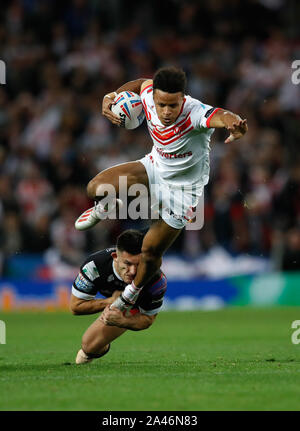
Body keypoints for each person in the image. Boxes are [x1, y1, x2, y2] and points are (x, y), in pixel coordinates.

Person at [74, 66, 248, 311]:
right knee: (94, 187)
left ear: (182, 99)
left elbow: (222, 115)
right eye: (161, 104)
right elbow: (139, 82)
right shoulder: (148, 94)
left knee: (150, 251)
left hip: (183, 191)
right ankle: (109, 204)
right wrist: (110, 96)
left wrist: (235, 124)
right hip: (154, 168)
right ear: (154, 96)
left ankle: (129, 296)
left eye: (173, 105)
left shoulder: (195, 112)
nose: (166, 112)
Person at [70, 229, 167, 364]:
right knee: (89, 346)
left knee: (89, 346)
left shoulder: (156, 279)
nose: (132, 271)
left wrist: (122, 321)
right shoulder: (94, 266)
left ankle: (96, 345)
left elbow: (148, 319)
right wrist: (109, 302)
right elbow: (75, 307)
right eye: (127, 264)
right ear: (115, 257)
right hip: (115, 302)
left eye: (138, 265)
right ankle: (95, 348)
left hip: (134, 308)